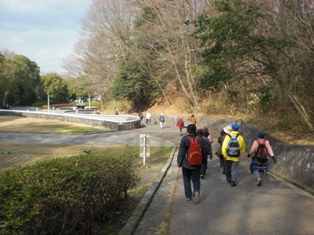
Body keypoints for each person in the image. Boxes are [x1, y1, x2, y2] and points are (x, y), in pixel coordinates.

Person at [177, 124, 208, 204]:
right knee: (196, 179)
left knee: (186, 179)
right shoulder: (200, 139)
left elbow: (181, 152)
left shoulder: (184, 139)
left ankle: (188, 196)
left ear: (187, 130)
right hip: (197, 163)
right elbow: (203, 152)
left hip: (186, 163)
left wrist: (179, 163)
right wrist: (204, 162)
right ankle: (196, 191)